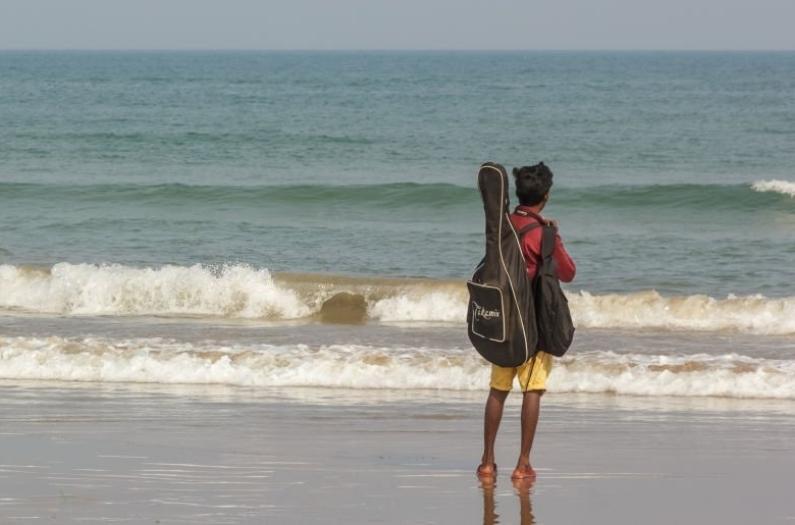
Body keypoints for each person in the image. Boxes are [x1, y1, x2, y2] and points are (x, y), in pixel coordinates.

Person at [476, 162, 576, 480]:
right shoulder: (544, 234)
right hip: (532, 327)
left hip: (503, 322)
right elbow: (568, 272)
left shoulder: (502, 224)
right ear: (546, 196)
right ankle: (522, 464)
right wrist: (552, 235)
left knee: (497, 390)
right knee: (532, 390)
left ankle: (487, 462)